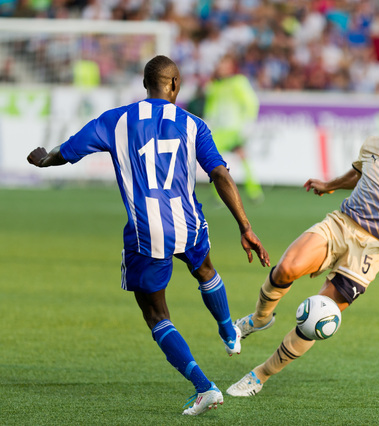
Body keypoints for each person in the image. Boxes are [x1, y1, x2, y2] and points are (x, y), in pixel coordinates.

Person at [27, 55, 270, 415]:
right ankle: (228, 332)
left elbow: (71, 148)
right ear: (175, 85)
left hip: (146, 232)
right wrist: (245, 226)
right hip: (189, 223)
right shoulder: (193, 124)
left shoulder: (116, 120)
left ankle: (205, 388)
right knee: (204, 270)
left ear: (145, 84)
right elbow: (220, 174)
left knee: (157, 315)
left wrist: (46, 159)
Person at [226, 91, 379, 397]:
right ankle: (259, 319)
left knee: (316, 318)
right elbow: (358, 174)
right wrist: (329, 185)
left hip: (373, 250)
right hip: (341, 224)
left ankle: (259, 376)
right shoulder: (373, 145)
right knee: (285, 269)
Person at [202, 53, 264, 202]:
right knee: (237, 157)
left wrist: (248, 123)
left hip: (234, 128)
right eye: (220, 64)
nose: (221, 67)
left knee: (213, 158)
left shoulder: (238, 82)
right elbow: (210, 108)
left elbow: (251, 102)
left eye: (225, 64)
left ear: (231, 67)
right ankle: (252, 192)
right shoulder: (215, 86)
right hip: (220, 130)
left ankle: (223, 195)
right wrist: (208, 122)